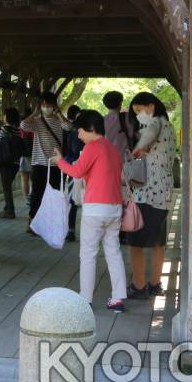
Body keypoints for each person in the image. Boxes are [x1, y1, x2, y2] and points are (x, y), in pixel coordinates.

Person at [52, 110, 127, 312]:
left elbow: (76, 172)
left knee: (88, 254)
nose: (78, 135)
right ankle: (118, 298)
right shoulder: (112, 148)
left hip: (95, 208)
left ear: (91, 129)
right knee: (113, 252)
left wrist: (60, 161)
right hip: (115, 208)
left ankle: (85, 299)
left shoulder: (92, 147)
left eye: (80, 130)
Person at [126, 92, 176, 299]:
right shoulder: (168, 125)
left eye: (140, 110)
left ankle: (138, 286)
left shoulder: (154, 123)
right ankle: (155, 283)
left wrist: (137, 150)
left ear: (151, 106)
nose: (139, 114)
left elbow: (144, 142)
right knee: (158, 241)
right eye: (136, 111)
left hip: (148, 192)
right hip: (164, 192)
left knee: (135, 242)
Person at [22, 92, 72, 233]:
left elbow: (69, 127)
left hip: (56, 164)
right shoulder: (37, 121)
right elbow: (23, 125)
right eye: (43, 105)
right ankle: (32, 223)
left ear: (54, 106)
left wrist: (59, 114)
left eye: (49, 105)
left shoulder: (59, 121)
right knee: (37, 194)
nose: (46, 108)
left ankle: (50, 224)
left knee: (54, 195)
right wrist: (35, 113)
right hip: (39, 163)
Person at [0, 107, 24, 219]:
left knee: (6, 187)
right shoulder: (18, 130)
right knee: (8, 185)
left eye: (5, 115)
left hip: (5, 161)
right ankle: (7, 208)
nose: (3, 117)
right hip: (15, 162)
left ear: (8, 117)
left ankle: (10, 211)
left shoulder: (4, 129)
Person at [63, 104, 84, 243]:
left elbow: (71, 151)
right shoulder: (76, 134)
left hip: (74, 171)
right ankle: (71, 230)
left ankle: (70, 230)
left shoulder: (73, 133)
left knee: (73, 200)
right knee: (77, 200)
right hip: (80, 171)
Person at [102, 91, 136, 159]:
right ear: (120, 103)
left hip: (109, 157)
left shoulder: (101, 120)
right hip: (126, 158)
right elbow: (134, 134)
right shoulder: (127, 117)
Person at [18, 107, 35, 201]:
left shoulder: (21, 126)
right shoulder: (34, 125)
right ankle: (33, 197)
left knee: (25, 179)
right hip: (34, 155)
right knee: (33, 179)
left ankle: (27, 198)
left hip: (23, 155)